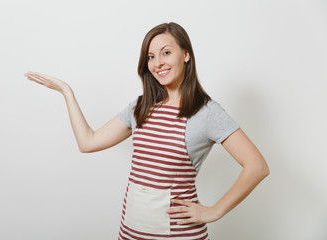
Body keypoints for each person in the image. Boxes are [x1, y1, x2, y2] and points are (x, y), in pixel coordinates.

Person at [24, 22, 269, 240]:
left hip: (180, 234)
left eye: (166, 52)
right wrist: (67, 91)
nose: (157, 62)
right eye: (151, 56)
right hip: (130, 231)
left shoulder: (207, 113)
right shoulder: (140, 107)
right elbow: (87, 142)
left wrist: (215, 211)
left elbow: (257, 166)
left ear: (185, 55)